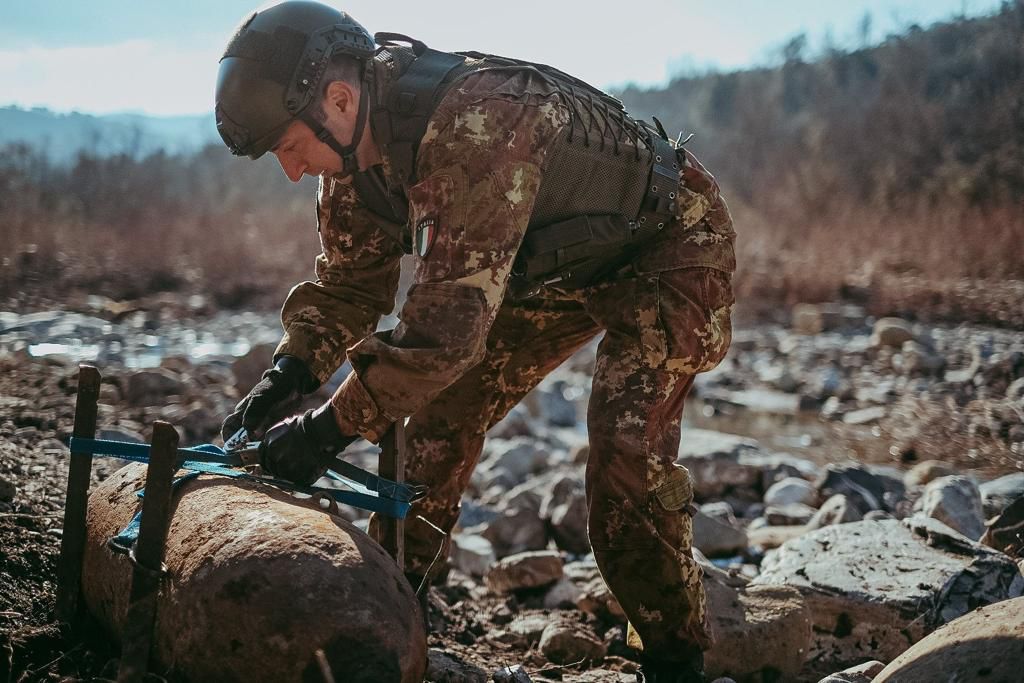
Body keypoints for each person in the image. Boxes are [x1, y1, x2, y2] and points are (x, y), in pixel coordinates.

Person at [215, 2, 736, 681]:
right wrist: (288, 372)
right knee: (437, 418)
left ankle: (677, 656)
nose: (292, 170)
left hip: (668, 243)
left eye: (288, 147)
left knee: (625, 453)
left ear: (338, 100)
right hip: (545, 263)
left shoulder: (476, 121)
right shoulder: (345, 163)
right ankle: (392, 613)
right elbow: (349, 287)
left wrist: (324, 429)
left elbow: (442, 335)